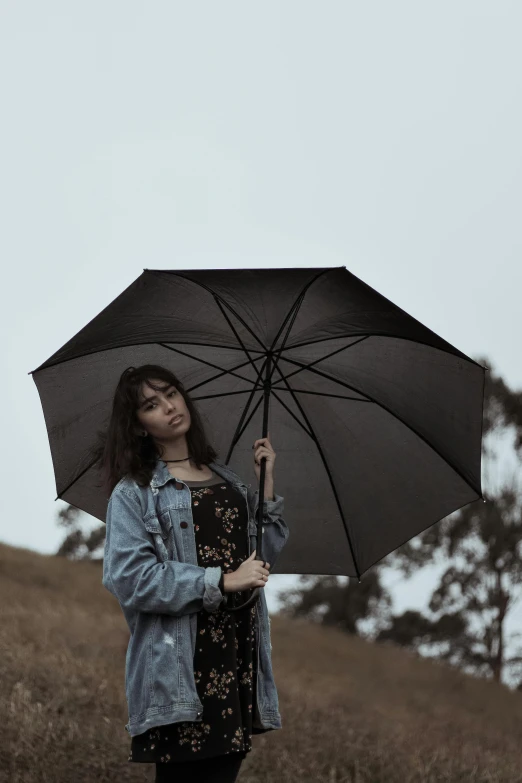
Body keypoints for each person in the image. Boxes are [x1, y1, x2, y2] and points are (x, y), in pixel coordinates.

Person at [96, 364, 289, 783]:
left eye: (170, 394)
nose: (167, 407)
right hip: (180, 663)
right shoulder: (134, 493)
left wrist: (266, 487)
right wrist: (219, 580)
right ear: (139, 426)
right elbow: (129, 579)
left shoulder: (231, 482)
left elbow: (259, 562)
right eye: (151, 405)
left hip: (236, 651)